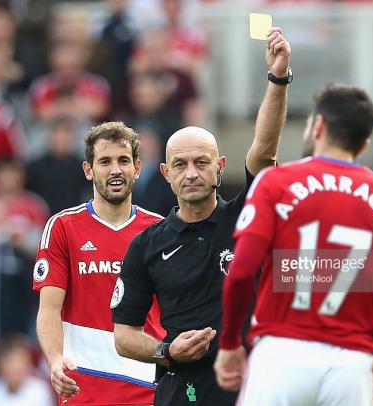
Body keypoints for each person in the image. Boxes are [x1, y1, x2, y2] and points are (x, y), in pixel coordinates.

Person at [214, 84, 373, 405]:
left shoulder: (277, 182)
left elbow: (239, 274)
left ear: (319, 126)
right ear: (364, 145)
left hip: (281, 355)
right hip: (351, 367)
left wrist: (229, 344)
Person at [112, 28, 292, 405]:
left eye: (201, 162)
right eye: (180, 164)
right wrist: (167, 351)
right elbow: (124, 335)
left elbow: (263, 151)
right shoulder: (146, 244)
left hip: (251, 386)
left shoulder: (244, 218)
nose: (191, 172)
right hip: (183, 389)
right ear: (166, 173)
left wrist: (277, 78)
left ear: (219, 167)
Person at [33, 121, 166, 405]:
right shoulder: (63, 227)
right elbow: (49, 310)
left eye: (123, 161)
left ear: (138, 168)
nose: (115, 169)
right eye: (104, 161)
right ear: (88, 170)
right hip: (83, 386)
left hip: (148, 385)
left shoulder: (161, 231)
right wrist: (55, 360)